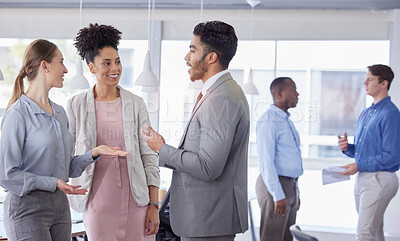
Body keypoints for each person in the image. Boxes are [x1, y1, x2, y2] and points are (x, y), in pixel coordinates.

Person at [0, 39, 128, 241]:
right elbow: (6, 175)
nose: (66, 69)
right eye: (61, 62)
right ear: (45, 66)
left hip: (60, 207)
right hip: (26, 208)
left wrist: (93, 153)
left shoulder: (59, 113)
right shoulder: (17, 113)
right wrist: (52, 183)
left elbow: (65, 168)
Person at [141, 20, 250, 241]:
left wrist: (162, 149)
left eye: (192, 50)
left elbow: (208, 166)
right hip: (206, 219)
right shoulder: (219, 92)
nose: (186, 57)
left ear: (211, 57)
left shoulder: (222, 98)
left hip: (209, 220)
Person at [67, 23, 160, 241]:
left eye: (117, 61)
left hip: (137, 203)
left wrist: (154, 205)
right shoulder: (76, 105)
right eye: (106, 63)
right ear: (91, 68)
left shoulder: (136, 104)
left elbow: (149, 156)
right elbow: (67, 158)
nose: (115, 69)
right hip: (98, 203)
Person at [338, 64, 400, 241]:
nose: (365, 82)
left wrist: (358, 165)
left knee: (364, 233)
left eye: (370, 79)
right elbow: (364, 151)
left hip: (380, 178)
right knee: (374, 231)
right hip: (364, 177)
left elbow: (393, 155)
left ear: (384, 83)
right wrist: (347, 148)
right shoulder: (366, 113)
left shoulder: (390, 113)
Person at [255, 77, 303, 241]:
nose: (297, 94)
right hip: (275, 186)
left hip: (289, 185)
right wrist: (278, 195)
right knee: (272, 238)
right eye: (293, 89)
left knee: (287, 238)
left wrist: (295, 193)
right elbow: (266, 162)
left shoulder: (285, 121)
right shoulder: (269, 121)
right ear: (279, 93)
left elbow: (289, 160)